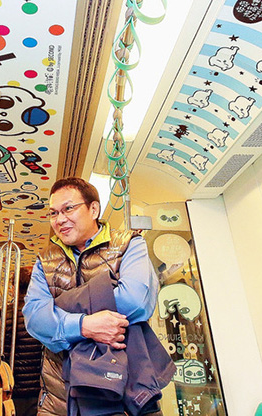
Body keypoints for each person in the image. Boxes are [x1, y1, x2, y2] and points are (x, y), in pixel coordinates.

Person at [23, 178, 164, 416]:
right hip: (59, 399)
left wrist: (58, 309)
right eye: (53, 212)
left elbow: (136, 300)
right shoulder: (44, 261)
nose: (59, 219)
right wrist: (84, 326)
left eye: (69, 208)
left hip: (121, 393)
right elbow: (35, 319)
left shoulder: (129, 245)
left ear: (94, 209)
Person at [6, 266, 43, 416]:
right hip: (38, 388)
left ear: (14, 287)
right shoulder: (42, 315)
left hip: (13, 388)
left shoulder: (5, 315)